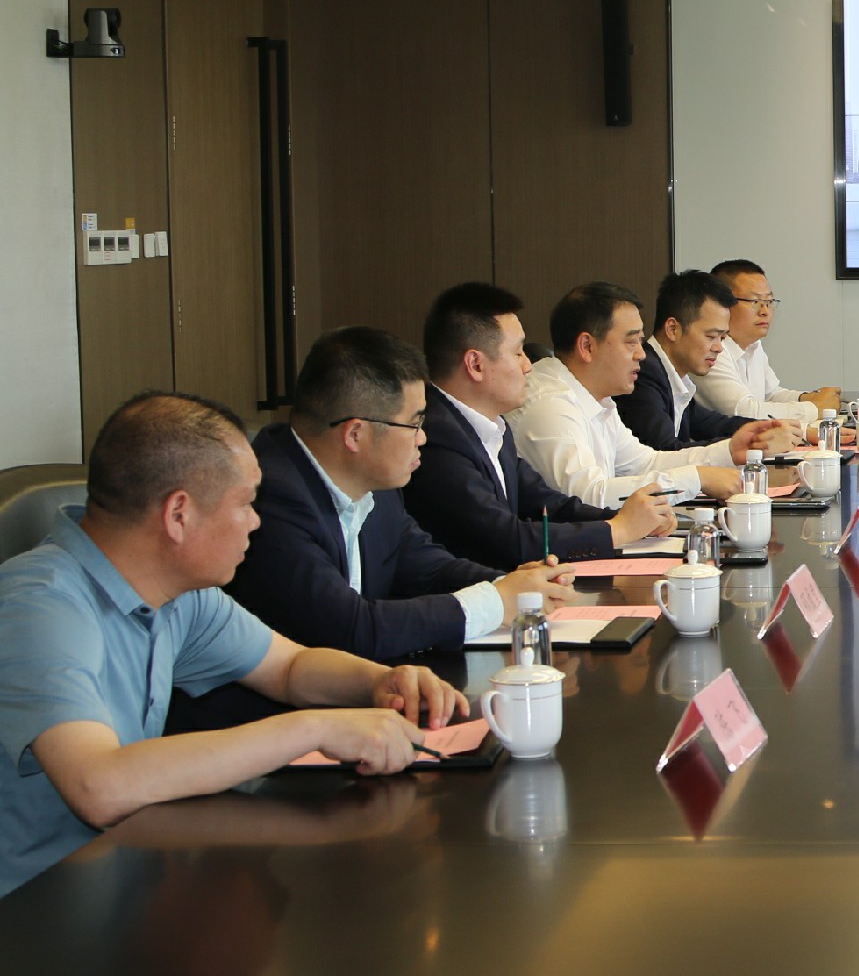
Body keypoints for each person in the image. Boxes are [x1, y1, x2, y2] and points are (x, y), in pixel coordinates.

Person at [0, 392, 468, 898]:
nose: (255, 521)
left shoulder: (178, 592)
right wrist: (315, 727)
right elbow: (98, 786)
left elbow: (289, 668)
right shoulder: (40, 605)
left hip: (119, 875)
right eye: (245, 503)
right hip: (32, 909)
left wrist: (382, 681)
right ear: (179, 514)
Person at [229, 327, 577, 662]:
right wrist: (497, 601)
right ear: (355, 434)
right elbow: (350, 629)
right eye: (414, 424)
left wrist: (515, 585)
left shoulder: (376, 486)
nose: (423, 438)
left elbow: (428, 568)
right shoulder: (270, 498)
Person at [406, 281, 676, 568]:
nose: (528, 365)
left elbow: (547, 504)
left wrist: (631, 519)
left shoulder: (493, 426)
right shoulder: (436, 438)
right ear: (475, 364)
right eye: (518, 352)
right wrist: (617, 530)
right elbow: (505, 540)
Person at [513, 282, 784, 507]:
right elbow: (588, 496)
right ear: (587, 346)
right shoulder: (551, 404)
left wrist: (728, 451)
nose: (641, 354)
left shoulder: (598, 397)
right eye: (631, 342)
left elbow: (646, 462)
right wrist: (697, 479)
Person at [623, 269, 783, 453]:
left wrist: (767, 429)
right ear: (673, 329)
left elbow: (713, 424)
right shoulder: (642, 374)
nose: (719, 348)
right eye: (711, 336)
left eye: (722, 338)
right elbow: (665, 451)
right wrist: (747, 444)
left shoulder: (674, 376)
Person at [697, 259, 842, 423]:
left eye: (769, 302)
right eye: (755, 301)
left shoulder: (753, 345)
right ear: (722, 304)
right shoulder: (712, 350)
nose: (765, 311)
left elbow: (771, 394)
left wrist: (809, 398)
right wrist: (815, 409)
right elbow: (743, 411)